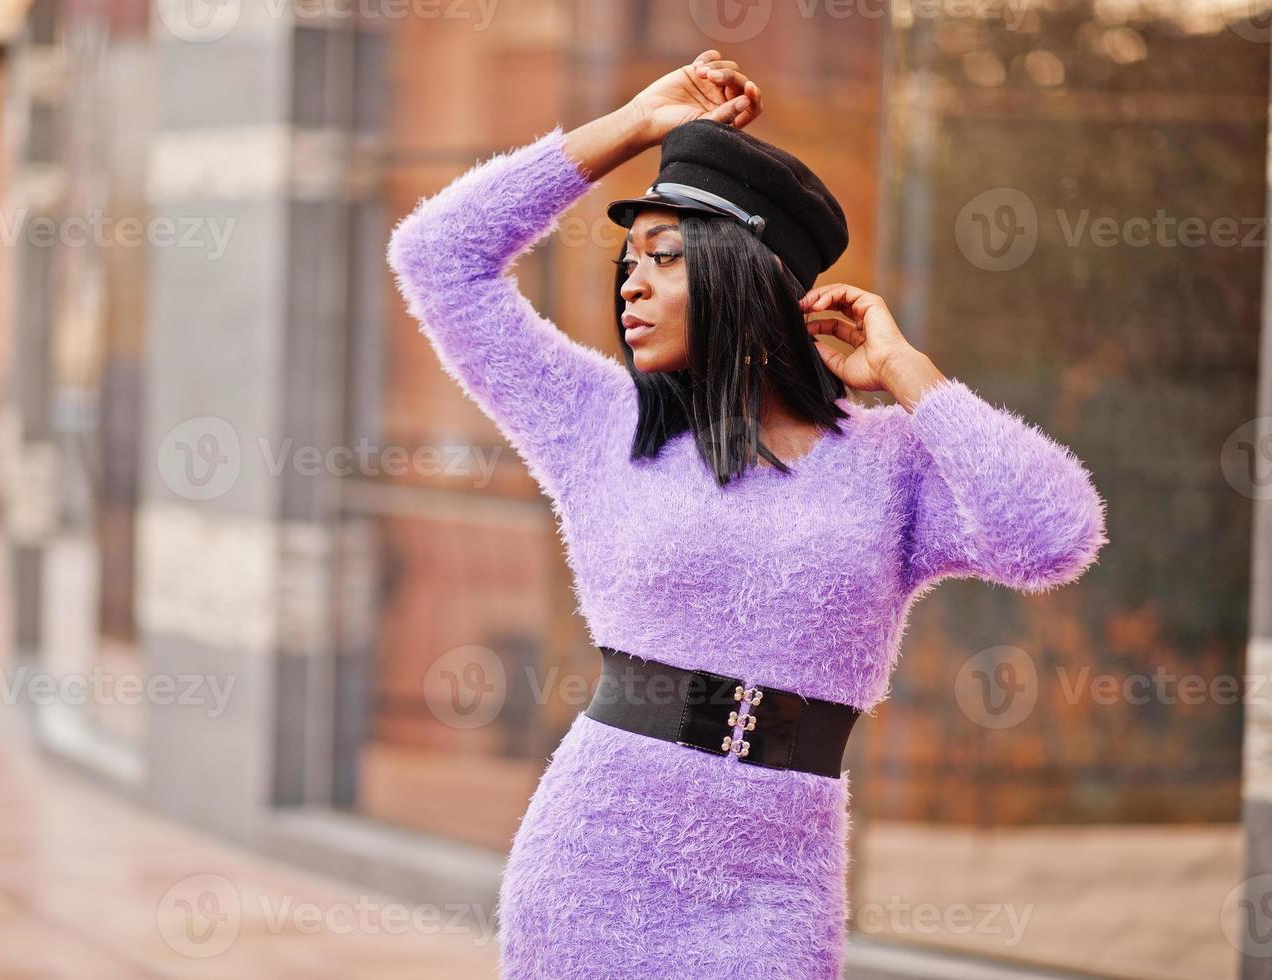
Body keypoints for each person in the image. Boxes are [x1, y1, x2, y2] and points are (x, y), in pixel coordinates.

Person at [385, 49, 1108, 980]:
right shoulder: (595, 422)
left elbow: (1054, 537)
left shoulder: (887, 463)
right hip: (593, 867)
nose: (629, 286)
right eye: (626, 262)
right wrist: (634, 124)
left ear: (746, 277)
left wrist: (905, 373)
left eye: (664, 259)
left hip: (775, 888)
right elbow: (435, 257)